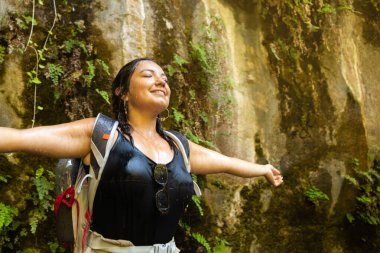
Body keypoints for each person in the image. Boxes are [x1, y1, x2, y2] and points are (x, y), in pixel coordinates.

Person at [0, 58, 283, 252]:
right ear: (122, 91)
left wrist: (262, 169)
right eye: (148, 76)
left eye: (165, 79)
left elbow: (225, 163)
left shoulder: (179, 146)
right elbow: (20, 138)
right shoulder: (100, 134)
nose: (161, 82)